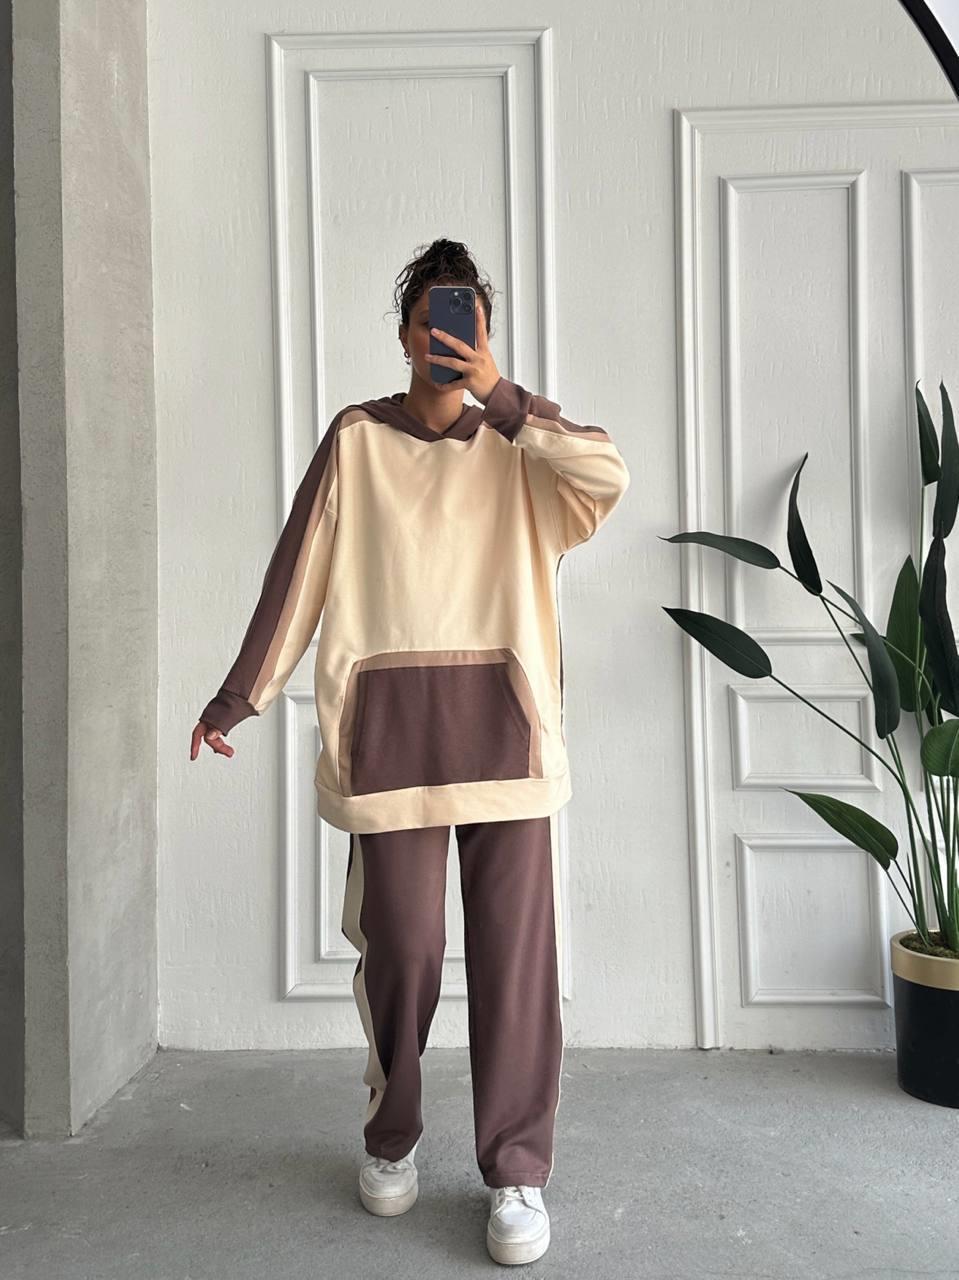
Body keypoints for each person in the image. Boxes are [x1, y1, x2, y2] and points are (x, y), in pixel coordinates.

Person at [191, 239, 630, 1266]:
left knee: (515, 963)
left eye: (466, 322)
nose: (448, 339)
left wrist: (503, 396)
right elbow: (296, 572)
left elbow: (607, 474)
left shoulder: (523, 448)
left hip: (507, 742)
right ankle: (390, 1137)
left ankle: (516, 1170)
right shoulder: (356, 440)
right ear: (402, 335)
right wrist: (238, 695)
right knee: (403, 951)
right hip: (388, 743)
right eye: (433, 321)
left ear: (484, 336)